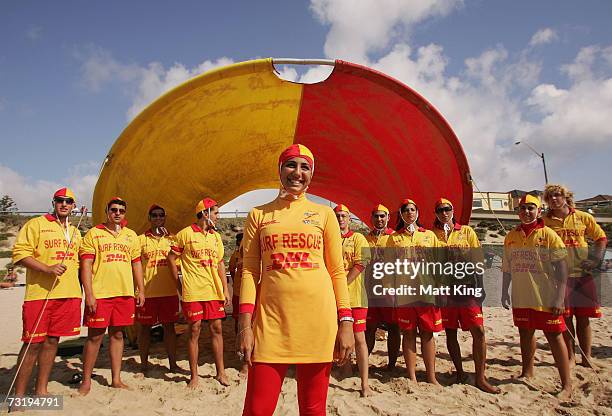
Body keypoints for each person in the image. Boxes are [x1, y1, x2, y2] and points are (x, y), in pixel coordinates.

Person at [238, 144, 354, 416]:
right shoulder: (259, 215)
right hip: (271, 324)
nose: (297, 173)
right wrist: (244, 325)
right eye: (291, 165)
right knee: (257, 410)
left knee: (313, 410)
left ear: (311, 173)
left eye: (305, 167)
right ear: (280, 169)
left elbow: (337, 271)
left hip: (318, 323)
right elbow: (249, 271)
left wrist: (346, 322)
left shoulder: (325, 215)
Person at [11, 188, 82, 398]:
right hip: (39, 295)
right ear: (53, 202)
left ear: (73, 206)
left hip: (67, 293)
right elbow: (20, 254)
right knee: (32, 344)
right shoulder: (36, 224)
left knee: (53, 342)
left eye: (68, 201)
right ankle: (19, 395)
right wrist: (47, 268)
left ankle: (41, 390)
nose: (64, 204)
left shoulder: (76, 232)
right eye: (60, 201)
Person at [501, 194, 572, 399]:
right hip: (522, 295)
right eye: (523, 208)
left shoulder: (548, 234)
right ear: (518, 212)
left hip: (546, 296)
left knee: (554, 336)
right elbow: (506, 269)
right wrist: (504, 291)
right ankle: (527, 371)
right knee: (525, 332)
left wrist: (560, 298)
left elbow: (562, 268)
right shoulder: (511, 236)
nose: (526, 212)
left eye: (531, 208)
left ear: (539, 211)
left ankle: (566, 384)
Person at [78, 197, 145, 395]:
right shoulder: (94, 234)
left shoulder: (131, 235)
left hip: (124, 293)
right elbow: (86, 265)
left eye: (121, 210)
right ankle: (86, 381)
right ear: (107, 211)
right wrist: (89, 293)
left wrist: (140, 289)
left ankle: (116, 379)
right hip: (101, 294)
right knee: (95, 337)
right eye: (114, 209)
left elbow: (136, 264)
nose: (117, 213)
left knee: (117, 335)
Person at [432, 198, 500, 394]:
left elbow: (478, 261)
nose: (444, 213)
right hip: (446, 290)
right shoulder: (432, 235)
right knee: (450, 332)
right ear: (436, 213)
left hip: (468, 288)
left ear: (453, 211)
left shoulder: (467, 232)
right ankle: (460, 372)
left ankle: (480, 378)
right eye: (440, 210)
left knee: (478, 330)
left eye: (447, 209)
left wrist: (481, 287)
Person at [167, 197, 230, 388]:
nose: (218, 217)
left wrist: (225, 288)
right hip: (193, 291)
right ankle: (194, 375)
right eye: (216, 213)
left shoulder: (215, 236)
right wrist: (178, 284)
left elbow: (220, 263)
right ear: (205, 213)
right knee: (194, 330)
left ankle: (220, 372)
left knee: (217, 329)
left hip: (213, 291)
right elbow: (171, 258)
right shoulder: (185, 234)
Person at [543, 184, 607, 367]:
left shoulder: (583, 217)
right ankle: (570, 356)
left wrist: (596, 260)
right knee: (565, 317)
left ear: (565, 197)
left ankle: (586, 357)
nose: (554, 199)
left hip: (583, 274)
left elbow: (601, 238)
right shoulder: (545, 221)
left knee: (584, 317)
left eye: (557, 195)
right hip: (559, 277)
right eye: (550, 197)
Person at [389, 198, 442, 385]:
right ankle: (411, 376)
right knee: (408, 333)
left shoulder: (429, 235)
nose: (409, 213)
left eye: (412, 209)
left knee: (428, 334)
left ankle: (431, 376)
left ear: (417, 213)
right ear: (401, 214)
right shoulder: (394, 238)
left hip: (427, 293)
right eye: (405, 210)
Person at [137, 204, 181, 374]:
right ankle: (143, 365)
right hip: (147, 292)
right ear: (149, 219)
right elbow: (135, 266)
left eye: (160, 215)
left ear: (164, 218)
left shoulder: (173, 239)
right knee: (145, 329)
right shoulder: (141, 239)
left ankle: (172, 364)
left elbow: (180, 263)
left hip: (168, 292)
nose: (157, 218)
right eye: (154, 215)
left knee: (169, 328)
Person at [334, 204, 372, 397]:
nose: (340, 219)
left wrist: (341, 284)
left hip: (356, 297)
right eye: (337, 216)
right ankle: (346, 370)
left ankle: (365, 384)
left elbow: (361, 263)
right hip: (334, 298)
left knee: (359, 339)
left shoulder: (358, 238)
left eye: (343, 216)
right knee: (339, 336)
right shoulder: (329, 238)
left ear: (349, 219)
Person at [364, 204, 400, 371]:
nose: (379, 219)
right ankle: (364, 361)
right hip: (370, 291)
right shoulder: (365, 238)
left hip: (390, 292)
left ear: (388, 218)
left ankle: (392, 364)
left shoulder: (395, 237)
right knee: (369, 327)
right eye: (376, 216)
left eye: (382, 216)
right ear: (371, 218)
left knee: (393, 327)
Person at [228, 232, 248, 376]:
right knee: (237, 321)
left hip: (251, 293)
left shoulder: (254, 252)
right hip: (238, 292)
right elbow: (231, 269)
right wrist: (236, 283)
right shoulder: (235, 254)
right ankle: (238, 342)